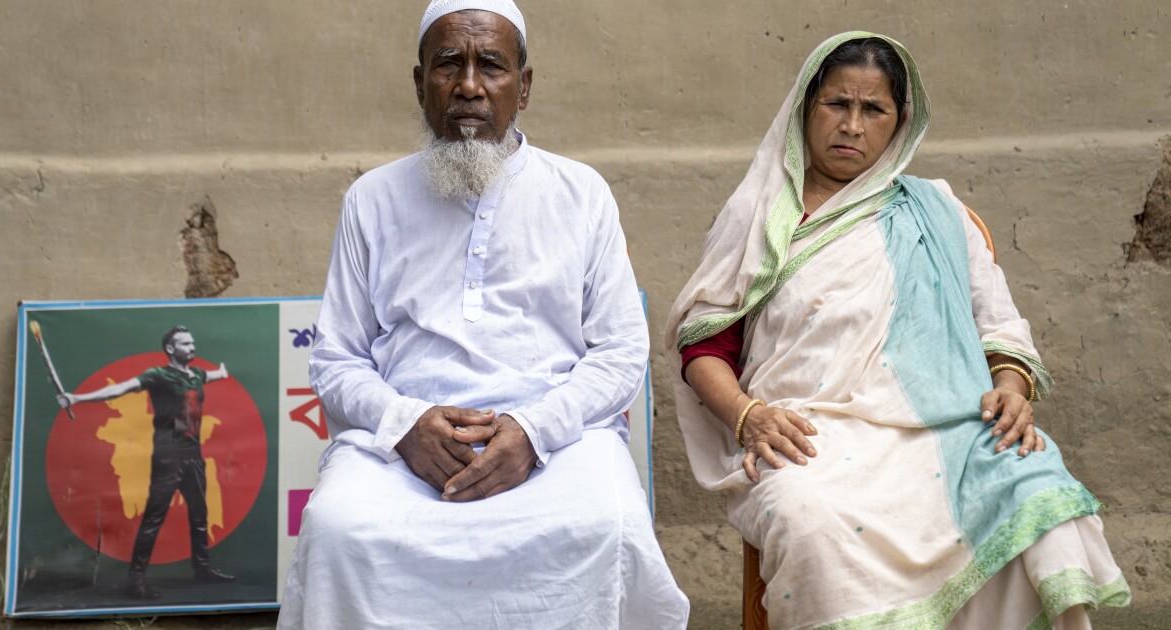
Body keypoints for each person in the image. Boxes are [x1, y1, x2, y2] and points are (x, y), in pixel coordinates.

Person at [667, 32, 1130, 629]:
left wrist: (1012, 391)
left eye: (873, 109)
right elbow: (704, 342)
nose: (852, 126)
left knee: (1034, 484)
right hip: (811, 437)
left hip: (948, 432)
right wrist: (747, 415)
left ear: (900, 121)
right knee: (806, 514)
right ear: (807, 107)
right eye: (837, 104)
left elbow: (1000, 326)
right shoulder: (759, 216)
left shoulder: (935, 210)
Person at [276, 1, 689, 628]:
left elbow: (621, 351)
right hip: (405, 452)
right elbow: (336, 359)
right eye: (449, 64)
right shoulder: (372, 199)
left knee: (612, 522)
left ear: (523, 86)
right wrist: (406, 423)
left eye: (491, 65)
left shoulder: (581, 194)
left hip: (555, 447)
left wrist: (535, 430)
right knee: (339, 528)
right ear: (420, 84)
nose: (469, 85)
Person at [60, 325, 234, 600]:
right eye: (186, 344)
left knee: (200, 515)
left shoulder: (197, 375)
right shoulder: (158, 375)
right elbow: (119, 390)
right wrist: (77, 398)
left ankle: (202, 569)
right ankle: (136, 581)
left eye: (193, 343)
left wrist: (222, 373)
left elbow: (210, 376)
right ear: (170, 349)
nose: (192, 347)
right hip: (168, 458)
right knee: (154, 518)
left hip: (194, 458)